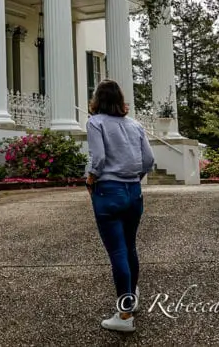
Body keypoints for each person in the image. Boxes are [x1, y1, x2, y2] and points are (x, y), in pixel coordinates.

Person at [85, 79, 155, 333]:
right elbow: (149, 159)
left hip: (108, 191)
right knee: (130, 247)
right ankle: (131, 300)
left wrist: (91, 177)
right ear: (119, 99)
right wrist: (134, 177)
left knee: (117, 252)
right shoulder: (135, 125)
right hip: (133, 191)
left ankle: (124, 315)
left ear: (97, 100)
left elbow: (99, 158)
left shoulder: (96, 122)